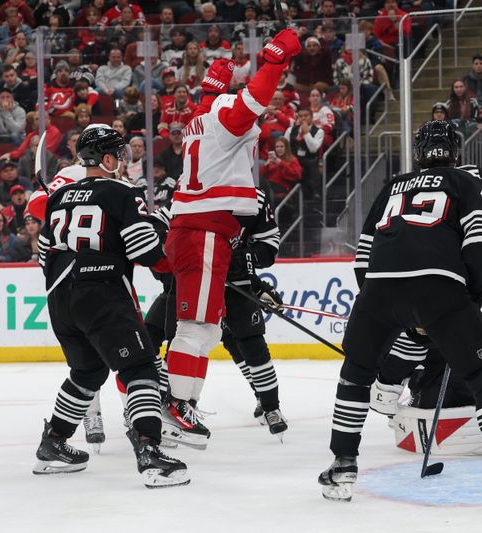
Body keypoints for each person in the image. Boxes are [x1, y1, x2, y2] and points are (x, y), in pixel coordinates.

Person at [317, 121, 482, 509]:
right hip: (440, 289)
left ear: (419, 153)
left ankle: (342, 465)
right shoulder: (468, 181)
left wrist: (374, 299)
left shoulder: (391, 186)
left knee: (354, 374)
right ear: (456, 150)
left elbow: (363, 258)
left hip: (380, 289)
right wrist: (473, 296)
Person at [163, 31, 302, 450]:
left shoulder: (197, 120)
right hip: (204, 231)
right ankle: (175, 407)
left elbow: (228, 110)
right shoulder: (226, 115)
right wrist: (276, 59)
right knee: (197, 328)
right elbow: (256, 98)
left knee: (202, 329)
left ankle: (180, 406)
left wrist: (217, 89)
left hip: (201, 231)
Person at [33, 124, 189, 488]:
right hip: (101, 293)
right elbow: (143, 251)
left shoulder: (59, 196)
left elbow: (43, 253)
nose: (122, 160)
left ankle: (53, 443)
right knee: (141, 368)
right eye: (118, 154)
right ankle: (150, 450)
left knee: (87, 373)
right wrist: (167, 254)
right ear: (106, 159)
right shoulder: (122, 192)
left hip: (60, 298)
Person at [221, 186, 287, 438]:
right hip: (199, 281)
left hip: (237, 284)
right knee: (188, 341)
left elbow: (268, 248)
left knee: (250, 341)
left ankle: (271, 406)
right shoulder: (192, 188)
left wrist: (245, 261)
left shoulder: (255, 197)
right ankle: (179, 406)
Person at [285, 108, 324, 199]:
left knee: (312, 163)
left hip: (309, 159)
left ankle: (316, 192)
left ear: (311, 117)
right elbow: (285, 146)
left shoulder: (319, 131)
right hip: (293, 159)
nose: (303, 118)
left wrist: (306, 132)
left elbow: (313, 149)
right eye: (300, 116)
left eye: (306, 116)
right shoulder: (290, 130)